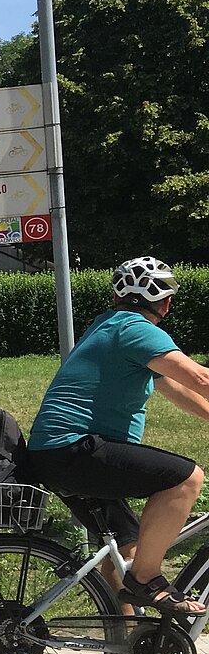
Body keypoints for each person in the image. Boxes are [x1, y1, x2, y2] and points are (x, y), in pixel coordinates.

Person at [26, 257, 209, 626]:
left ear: (118, 295)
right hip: (76, 449)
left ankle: (126, 646)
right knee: (187, 479)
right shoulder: (138, 330)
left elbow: (172, 386)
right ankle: (145, 581)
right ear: (166, 302)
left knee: (125, 551)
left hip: (60, 453)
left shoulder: (111, 326)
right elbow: (200, 378)